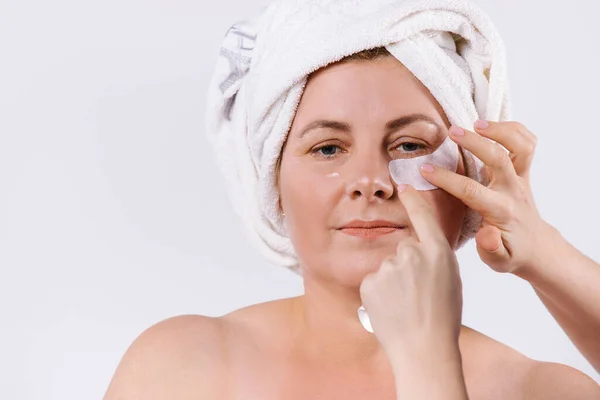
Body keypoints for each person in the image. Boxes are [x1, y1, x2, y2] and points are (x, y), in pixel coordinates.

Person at [102, 46, 600, 399]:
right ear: (272, 183)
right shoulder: (177, 369)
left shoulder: (544, 392)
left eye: (409, 146)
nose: (370, 181)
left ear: (470, 177)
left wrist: (544, 251)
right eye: (328, 148)